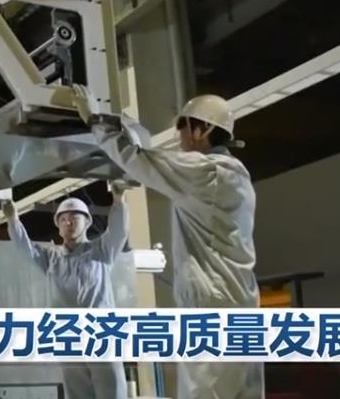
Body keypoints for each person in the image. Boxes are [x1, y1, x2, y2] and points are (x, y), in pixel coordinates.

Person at [74, 85, 264, 399]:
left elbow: (137, 159)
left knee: (207, 392)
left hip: (210, 303)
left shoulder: (203, 171)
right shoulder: (237, 175)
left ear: (202, 130)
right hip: (241, 301)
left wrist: (97, 122)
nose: (179, 136)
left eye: (183, 128)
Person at [2, 179, 129, 399]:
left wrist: (119, 200)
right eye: (62, 219)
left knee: (111, 390)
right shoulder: (51, 258)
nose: (68, 222)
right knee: (77, 392)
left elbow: (119, 231)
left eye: (74, 218)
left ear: (87, 222)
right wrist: (13, 219)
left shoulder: (101, 250)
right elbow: (24, 247)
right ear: (58, 227)